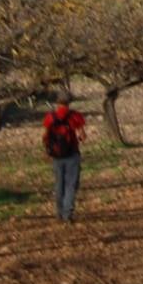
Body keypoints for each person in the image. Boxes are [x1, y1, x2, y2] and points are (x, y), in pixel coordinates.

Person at [42, 91, 87, 222]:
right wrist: (78, 138)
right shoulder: (75, 116)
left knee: (59, 184)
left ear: (57, 102)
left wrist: (48, 151)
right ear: (70, 102)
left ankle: (59, 212)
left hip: (57, 156)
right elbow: (82, 136)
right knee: (71, 185)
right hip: (72, 154)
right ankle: (68, 214)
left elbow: (45, 137)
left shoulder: (50, 117)